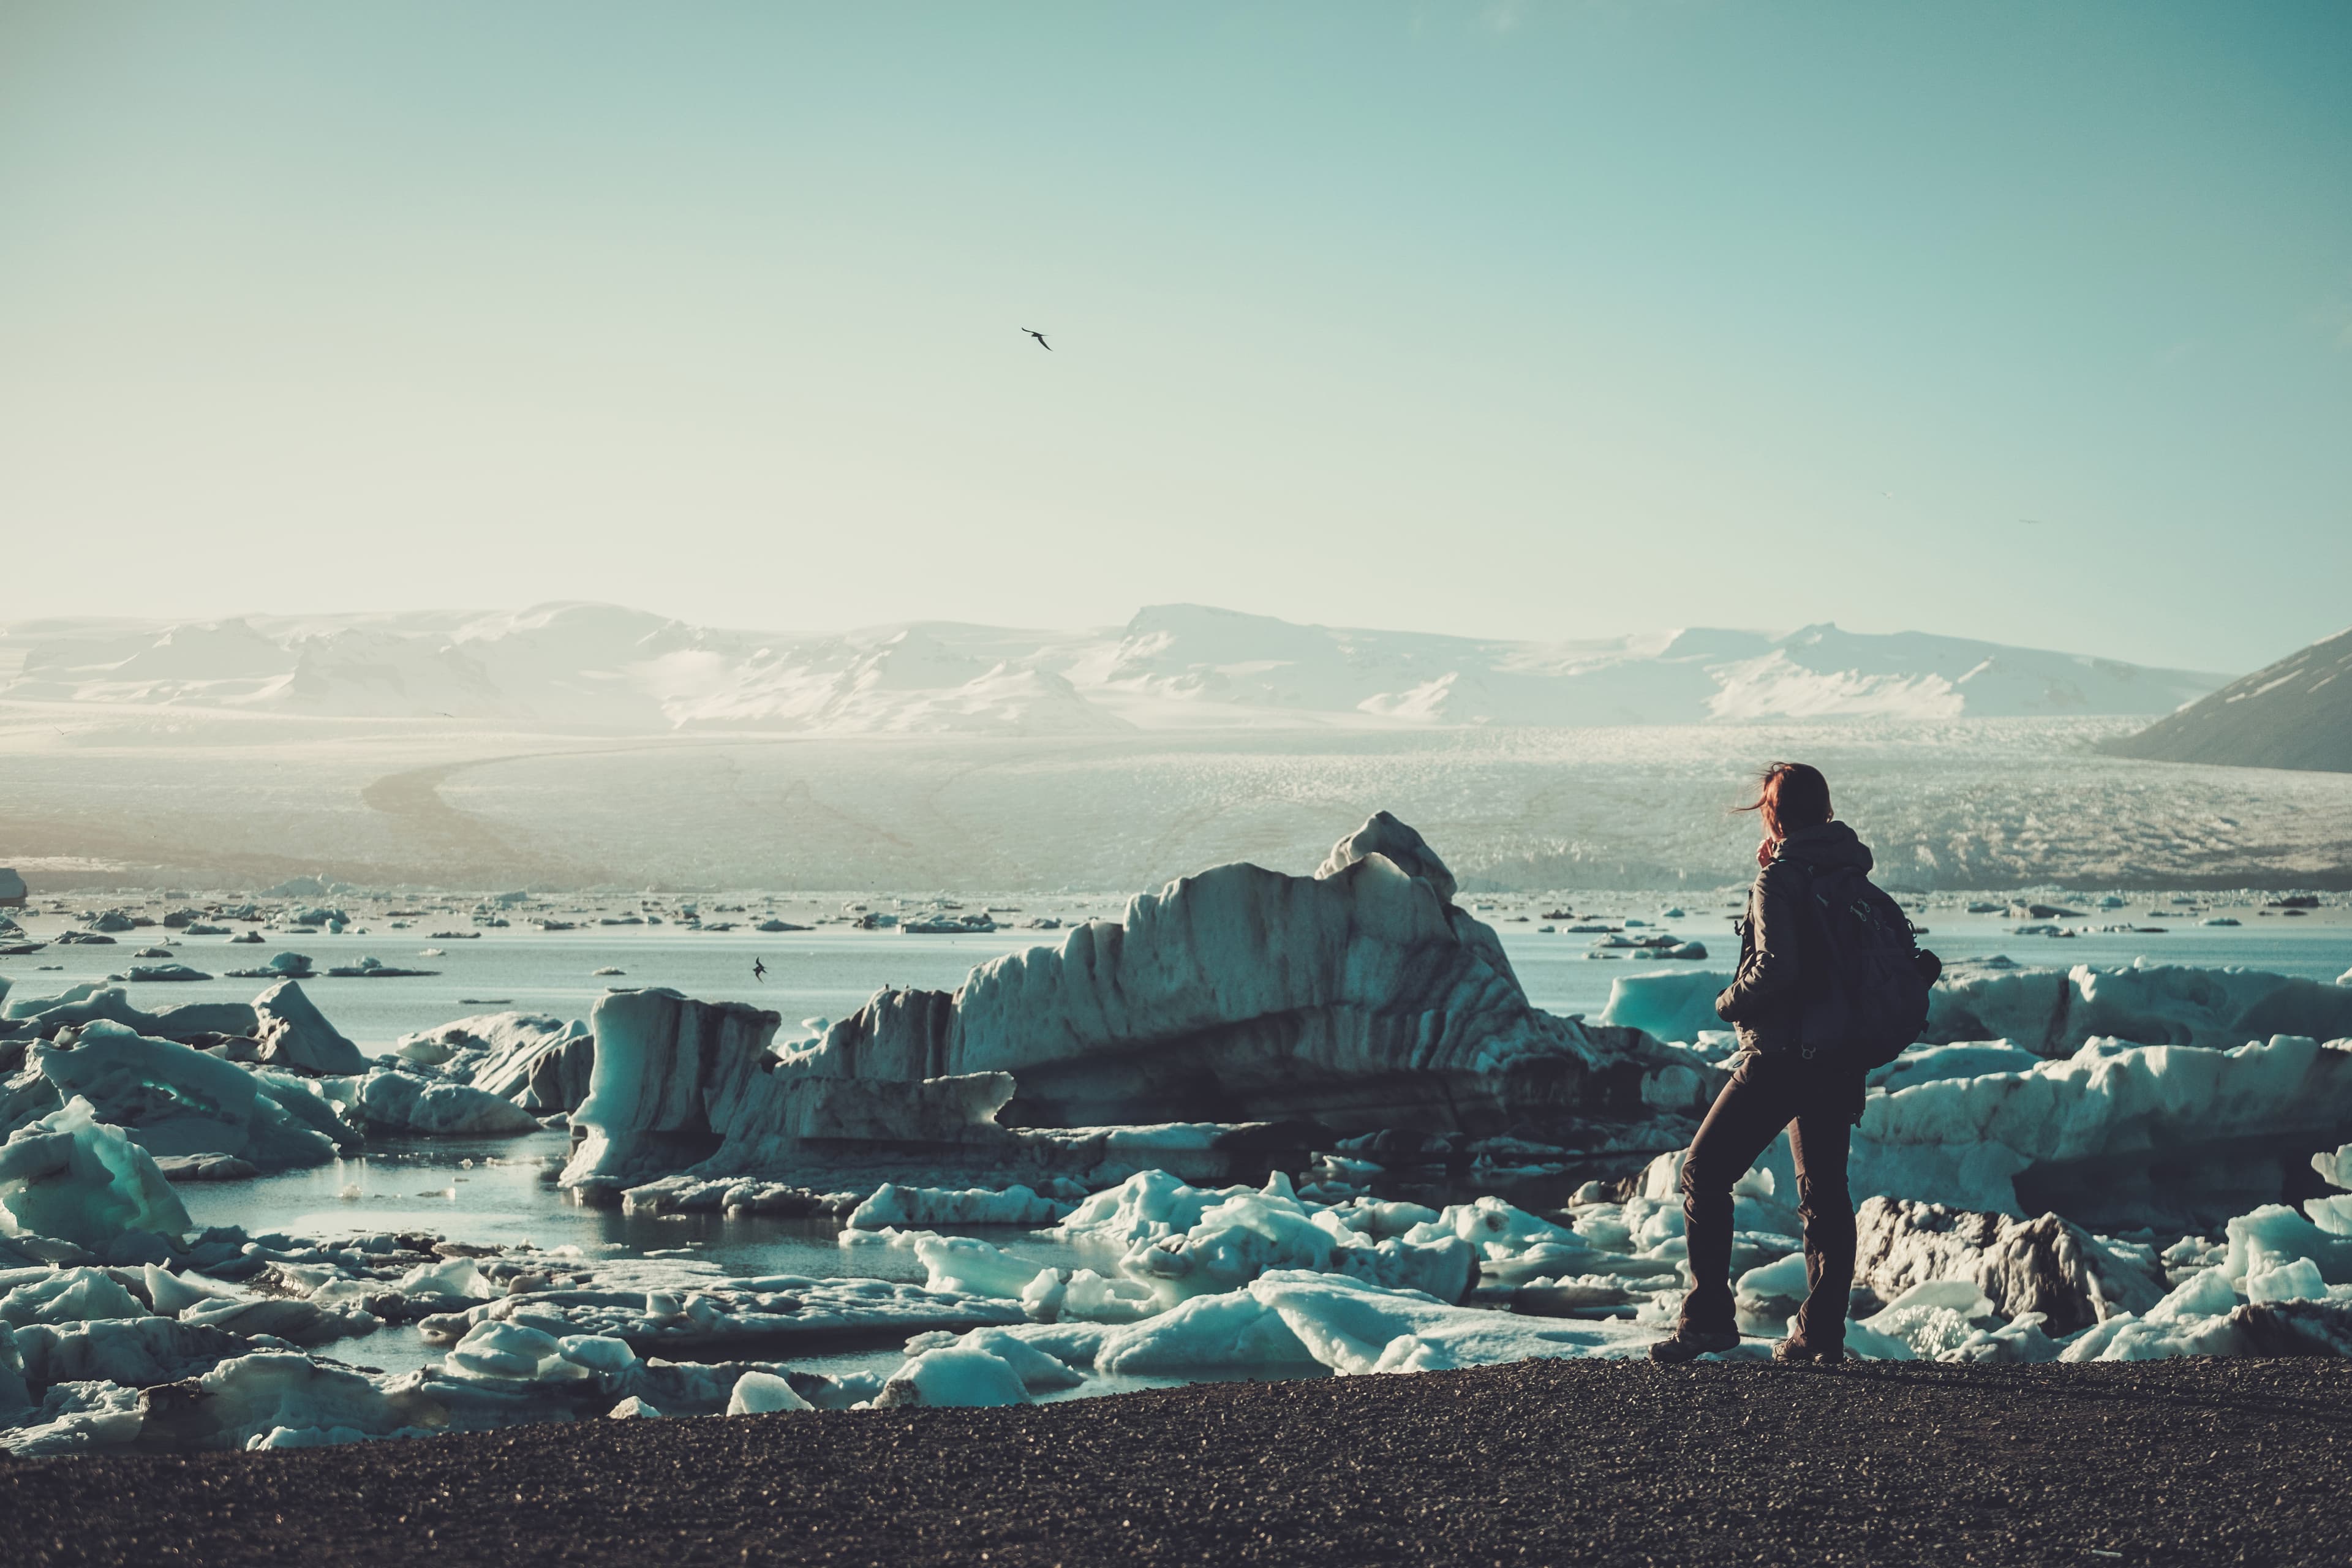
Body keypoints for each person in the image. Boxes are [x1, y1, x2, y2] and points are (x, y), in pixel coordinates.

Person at [1651, 761, 1871, 1365]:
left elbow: (1779, 968)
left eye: (1766, 802)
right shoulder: (1849, 872)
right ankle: (1820, 1336)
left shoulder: (1782, 879)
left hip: (1781, 1057)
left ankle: (1708, 1321)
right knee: (1825, 1195)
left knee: (1702, 1171)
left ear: (1775, 812)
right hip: (1837, 1057)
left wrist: (1729, 1001)